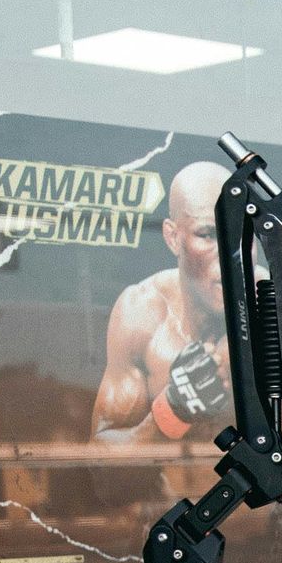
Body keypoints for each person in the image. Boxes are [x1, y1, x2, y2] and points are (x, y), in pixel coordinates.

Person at [91, 160, 231, 446]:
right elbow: (99, 466)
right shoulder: (143, 314)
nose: (231, 255)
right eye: (207, 235)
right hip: (170, 492)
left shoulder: (275, 311)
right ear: (173, 237)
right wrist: (170, 412)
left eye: (244, 236)